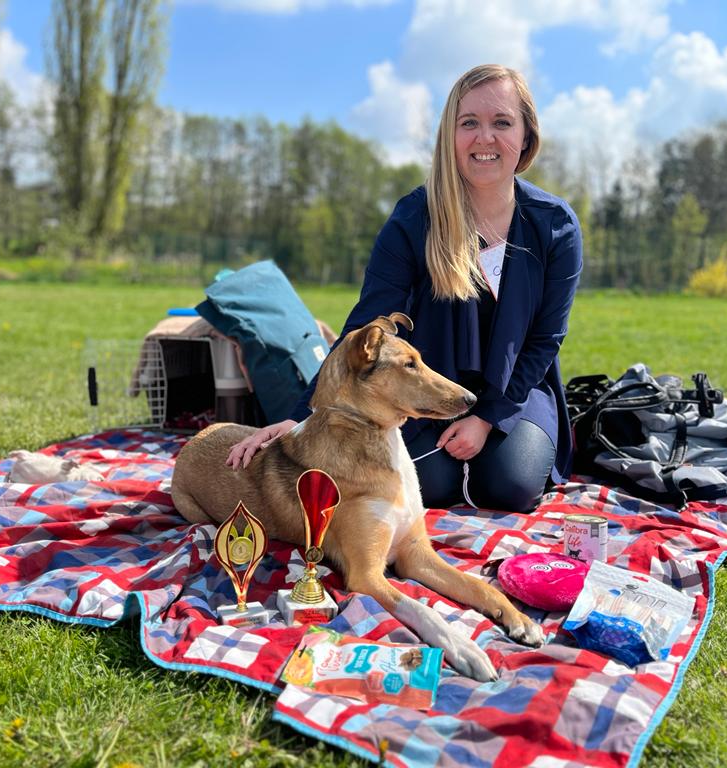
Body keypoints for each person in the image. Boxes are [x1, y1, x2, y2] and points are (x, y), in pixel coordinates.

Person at [227, 64, 582, 513]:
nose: (484, 138)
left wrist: (487, 419)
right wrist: (301, 418)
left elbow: (545, 338)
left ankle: (528, 435)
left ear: (527, 136)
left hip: (516, 393)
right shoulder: (414, 217)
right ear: (449, 137)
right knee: (424, 485)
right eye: (468, 123)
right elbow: (369, 325)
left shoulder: (555, 225)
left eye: (502, 123)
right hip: (421, 389)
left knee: (509, 486)